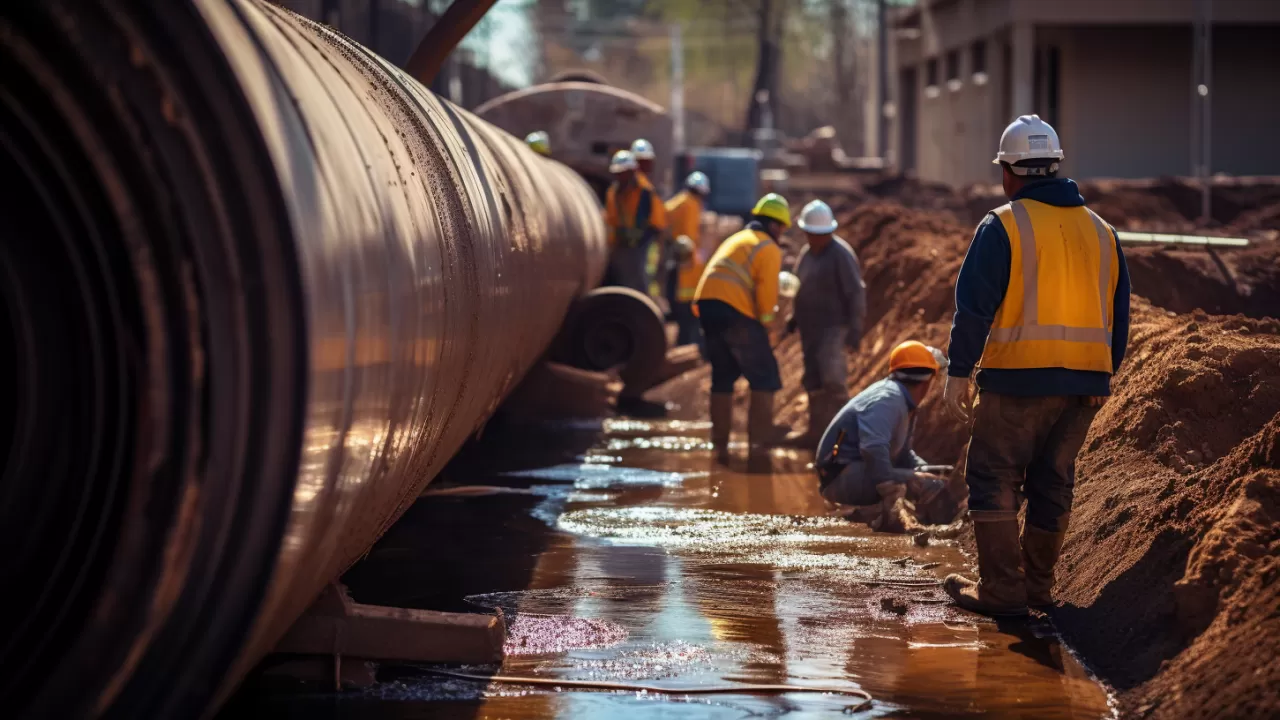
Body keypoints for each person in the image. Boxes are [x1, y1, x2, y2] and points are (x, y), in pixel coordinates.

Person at [941, 114, 1131, 617]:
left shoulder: (1002, 225)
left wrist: (958, 372)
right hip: (1086, 384)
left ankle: (1004, 591)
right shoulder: (1104, 232)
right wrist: (1100, 373)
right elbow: (1120, 316)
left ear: (1010, 172)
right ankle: (1038, 590)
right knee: (1053, 480)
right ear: (1054, 167)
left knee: (993, 475)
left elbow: (974, 309)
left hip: (1016, 381)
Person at [694, 193, 791, 457]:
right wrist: (768, 323)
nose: (782, 234)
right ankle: (759, 445)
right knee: (765, 376)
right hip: (733, 310)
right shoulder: (767, 247)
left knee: (723, 376)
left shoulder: (737, 239)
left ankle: (720, 446)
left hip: (706, 307)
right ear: (774, 225)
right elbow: (766, 293)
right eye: (782, 228)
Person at [814, 341, 948, 513]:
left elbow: (904, 454)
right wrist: (894, 481)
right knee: (929, 485)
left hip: (854, 472)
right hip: (841, 477)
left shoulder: (904, 401)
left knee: (932, 479)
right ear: (927, 380)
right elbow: (873, 448)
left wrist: (927, 469)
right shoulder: (888, 399)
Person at [784, 199, 867, 448]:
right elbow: (800, 287)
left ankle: (842, 437)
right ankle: (816, 433)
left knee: (833, 380)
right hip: (811, 328)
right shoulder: (806, 256)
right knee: (813, 379)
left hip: (833, 327)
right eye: (811, 234)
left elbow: (856, 292)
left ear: (829, 232)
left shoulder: (841, 255)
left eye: (820, 235)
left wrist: (855, 329)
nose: (815, 239)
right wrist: (794, 318)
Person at [603, 149, 667, 293]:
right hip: (622, 242)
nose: (621, 177)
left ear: (633, 171)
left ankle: (644, 305)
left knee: (639, 276)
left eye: (624, 173)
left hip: (642, 243)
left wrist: (658, 249)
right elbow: (611, 221)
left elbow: (658, 224)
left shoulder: (645, 192)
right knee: (621, 277)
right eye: (618, 174)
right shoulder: (613, 193)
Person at [666, 171, 712, 349]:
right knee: (689, 311)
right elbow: (690, 234)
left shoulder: (677, 202)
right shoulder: (692, 205)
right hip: (688, 264)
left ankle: (683, 342)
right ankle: (688, 345)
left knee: (680, 307)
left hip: (675, 257)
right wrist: (697, 259)